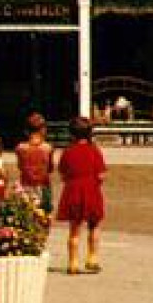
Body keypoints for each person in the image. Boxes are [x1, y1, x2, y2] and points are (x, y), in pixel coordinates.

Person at [56, 115, 108, 275]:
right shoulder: (94, 151)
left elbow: (62, 172)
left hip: (73, 190)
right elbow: (102, 174)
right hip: (91, 190)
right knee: (94, 225)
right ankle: (92, 258)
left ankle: (73, 262)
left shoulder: (68, 151)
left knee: (74, 229)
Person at [14, 111, 55, 214]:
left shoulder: (20, 148)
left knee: (27, 215)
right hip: (43, 185)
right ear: (43, 129)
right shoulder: (47, 148)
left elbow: (20, 166)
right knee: (44, 214)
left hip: (26, 184)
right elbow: (50, 168)